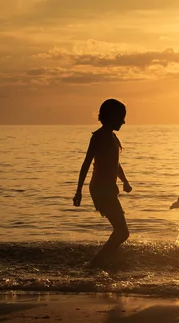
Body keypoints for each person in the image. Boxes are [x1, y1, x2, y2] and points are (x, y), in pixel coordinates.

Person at [73, 99, 132, 267]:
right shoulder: (98, 137)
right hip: (101, 189)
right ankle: (95, 264)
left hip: (108, 189)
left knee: (120, 231)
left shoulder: (113, 138)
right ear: (111, 117)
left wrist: (125, 182)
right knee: (122, 232)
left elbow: (116, 163)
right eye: (121, 117)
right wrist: (78, 192)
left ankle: (107, 261)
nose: (123, 121)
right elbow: (86, 163)